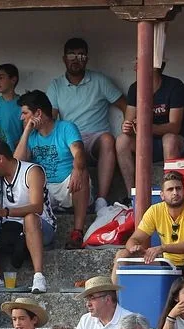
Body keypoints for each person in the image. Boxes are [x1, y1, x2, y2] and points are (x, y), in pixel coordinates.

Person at [47, 37, 127, 209]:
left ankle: (101, 200)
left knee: (108, 139)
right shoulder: (56, 85)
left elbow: (125, 106)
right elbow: (50, 119)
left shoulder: (100, 81)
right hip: (70, 140)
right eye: (71, 55)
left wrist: (129, 127)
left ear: (87, 59)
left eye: (81, 55)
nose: (76, 59)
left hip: (95, 139)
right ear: (64, 59)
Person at [0, 139, 57, 293]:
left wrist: (6, 212)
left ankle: (39, 276)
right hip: (10, 228)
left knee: (30, 218)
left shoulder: (32, 171)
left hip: (41, 226)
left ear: (0, 159)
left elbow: (37, 207)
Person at [14, 89, 89, 249]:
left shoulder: (66, 127)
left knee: (82, 173)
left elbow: (79, 152)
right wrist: (26, 131)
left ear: (38, 113)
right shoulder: (31, 135)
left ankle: (77, 232)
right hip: (43, 191)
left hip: (67, 186)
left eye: (25, 113)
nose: (21, 117)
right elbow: (17, 164)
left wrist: (77, 169)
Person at [112, 170, 184, 282]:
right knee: (122, 254)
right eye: (170, 189)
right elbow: (134, 239)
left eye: (178, 188)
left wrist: (162, 248)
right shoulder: (155, 210)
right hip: (169, 263)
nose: (175, 193)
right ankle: (114, 293)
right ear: (162, 195)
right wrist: (134, 248)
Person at [116, 60, 184, 191]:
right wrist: (127, 127)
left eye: (139, 61)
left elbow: (174, 127)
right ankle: (132, 195)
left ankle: (170, 190)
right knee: (122, 141)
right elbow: (128, 123)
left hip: (180, 144)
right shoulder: (135, 88)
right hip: (149, 145)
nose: (135, 66)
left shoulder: (175, 86)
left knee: (169, 139)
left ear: (154, 67)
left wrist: (146, 128)